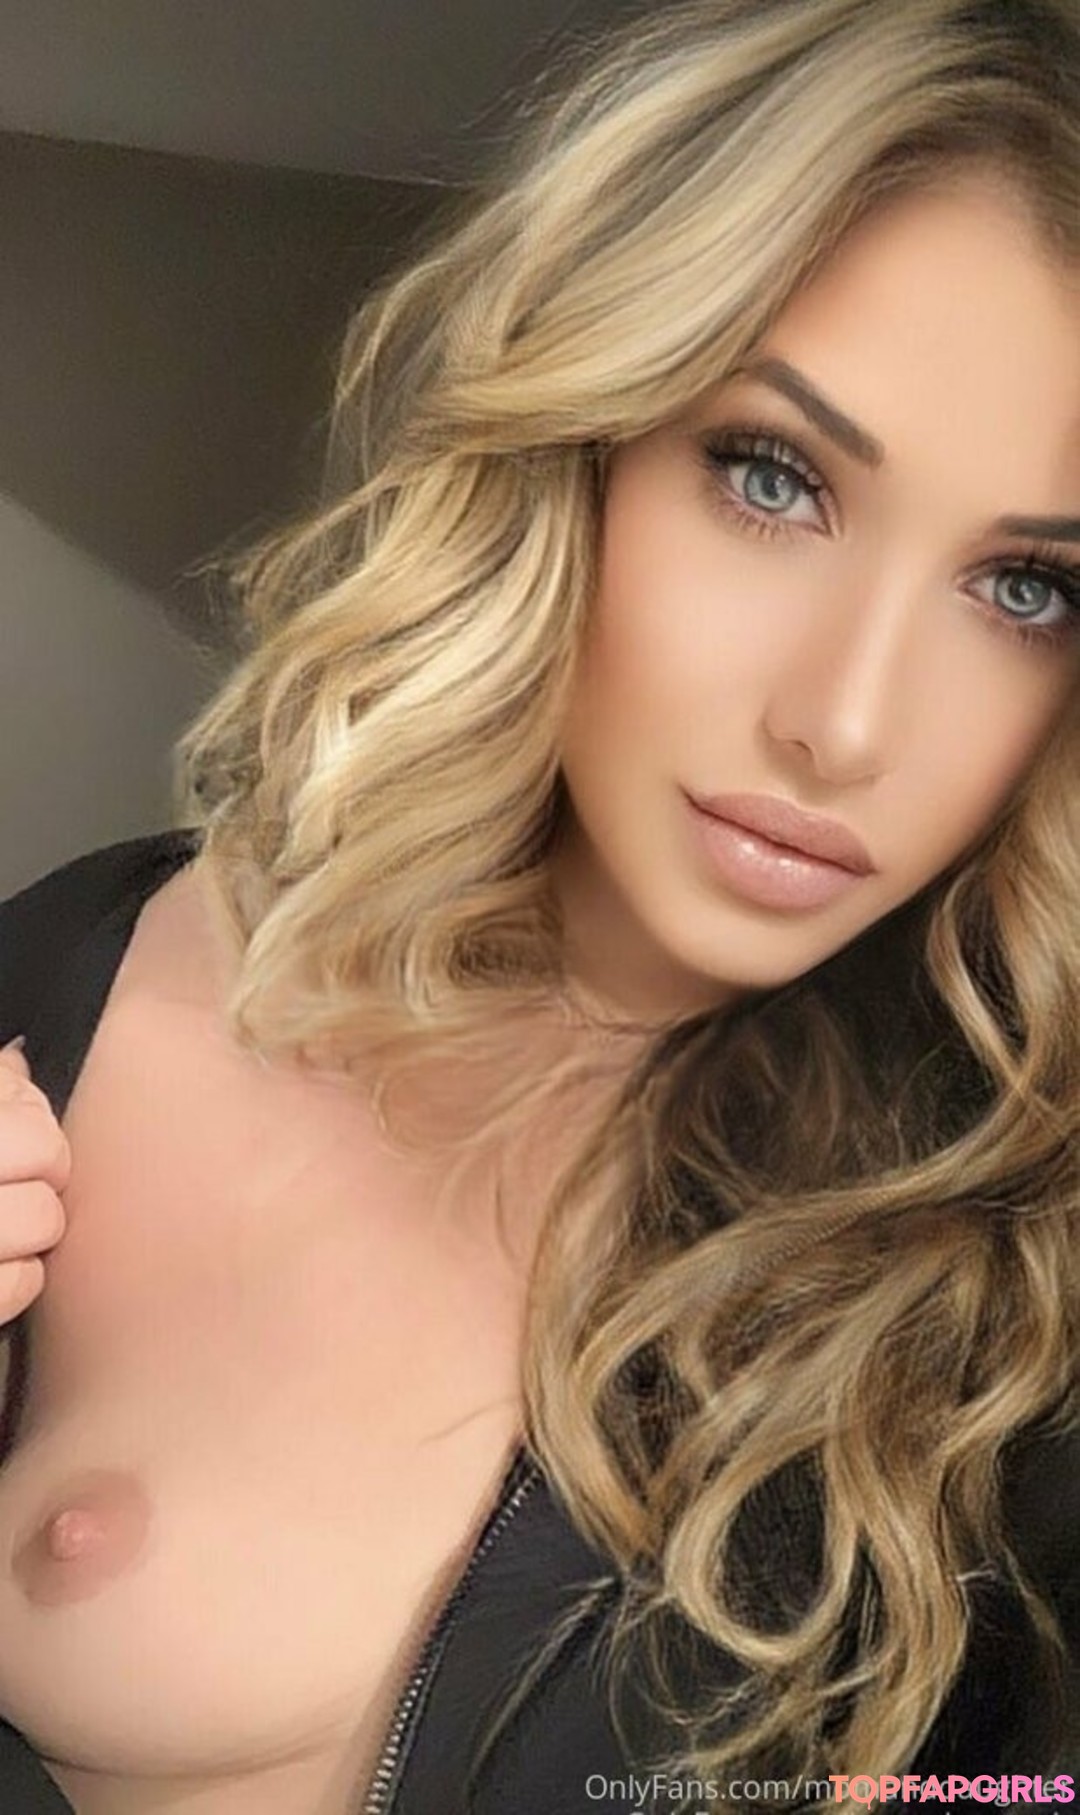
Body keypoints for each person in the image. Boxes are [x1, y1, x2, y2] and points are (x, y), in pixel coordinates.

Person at [0, 0, 1076, 1809]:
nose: (846, 724)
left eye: (1030, 589)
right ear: (577, 445)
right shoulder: (87, 963)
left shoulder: (1011, 1283)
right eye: (772, 477)